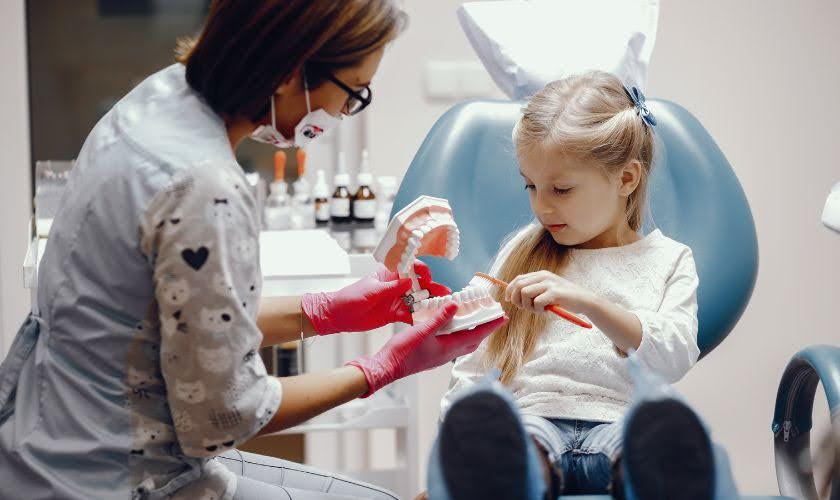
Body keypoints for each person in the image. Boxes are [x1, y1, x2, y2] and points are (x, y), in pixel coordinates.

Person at [0, 2, 504, 499]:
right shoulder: (205, 189)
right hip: (112, 476)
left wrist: (325, 312)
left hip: (47, 440)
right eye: (352, 93)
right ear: (290, 73)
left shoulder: (153, 101)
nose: (344, 113)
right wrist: (382, 368)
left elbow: (176, 324)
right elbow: (225, 416)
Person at [436, 71, 707, 498]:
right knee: (499, 450)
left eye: (561, 189)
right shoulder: (520, 253)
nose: (541, 206)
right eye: (531, 186)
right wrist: (449, 466)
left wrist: (589, 303)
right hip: (532, 419)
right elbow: (474, 366)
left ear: (626, 179)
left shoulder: (670, 261)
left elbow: (672, 360)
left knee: (658, 453)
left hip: (620, 419)